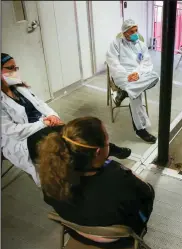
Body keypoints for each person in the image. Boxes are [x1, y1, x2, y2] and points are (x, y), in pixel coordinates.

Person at [1, 53, 131, 186]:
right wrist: (43, 123)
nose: (15, 71)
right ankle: (100, 156)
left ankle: (104, 151)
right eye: (10, 68)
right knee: (65, 143)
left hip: (43, 125)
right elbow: (11, 130)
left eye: (15, 67)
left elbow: (40, 104)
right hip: (22, 139)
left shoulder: (19, 88)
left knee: (77, 130)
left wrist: (53, 117)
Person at [38, 117, 155, 247]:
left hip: (77, 233)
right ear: (98, 151)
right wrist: (130, 175)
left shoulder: (51, 177)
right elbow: (148, 194)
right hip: (119, 241)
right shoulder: (119, 178)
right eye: (107, 140)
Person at [106, 19, 159, 144]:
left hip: (138, 76)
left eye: (136, 30)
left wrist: (137, 73)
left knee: (155, 76)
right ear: (125, 33)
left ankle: (125, 92)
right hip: (122, 76)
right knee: (136, 96)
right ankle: (140, 130)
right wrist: (127, 75)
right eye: (132, 31)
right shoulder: (116, 44)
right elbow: (113, 62)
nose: (136, 33)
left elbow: (146, 62)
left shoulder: (141, 44)